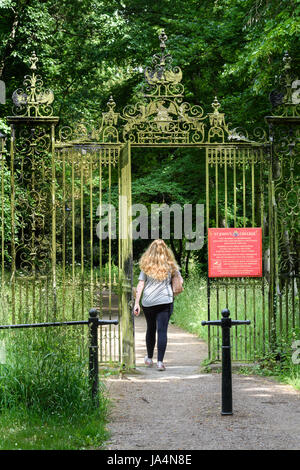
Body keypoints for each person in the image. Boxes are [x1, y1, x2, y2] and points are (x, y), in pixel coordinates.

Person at [133, 239, 180, 371]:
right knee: (162, 331)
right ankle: (160, 362)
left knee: (151, 329)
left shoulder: (146, 265)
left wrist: (137, 303)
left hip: (148, 302)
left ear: (150, 251)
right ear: (165, 251)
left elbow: (141, 284)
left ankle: (149, 358)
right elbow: (179, 280)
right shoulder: (170, 265)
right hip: (165, 301)